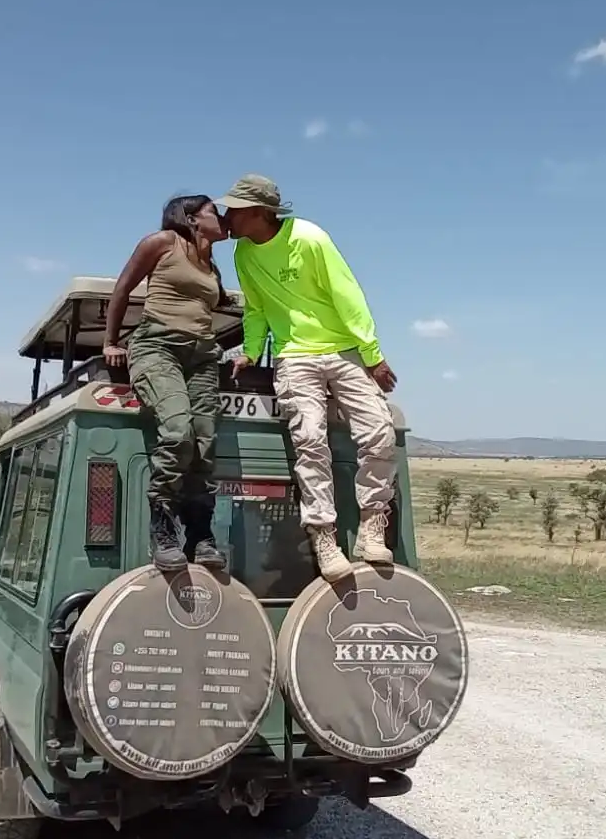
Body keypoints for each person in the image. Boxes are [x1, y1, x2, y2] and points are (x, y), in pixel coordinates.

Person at [220, 173, 398, 583]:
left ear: (259, 213)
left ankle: (372, 526)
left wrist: (371, 355)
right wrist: (250, 350)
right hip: (295, 356)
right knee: (310, 440)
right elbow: (258, 308)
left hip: (344, 350)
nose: (227, 216)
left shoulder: (310, 238)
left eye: (235, 209)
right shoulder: (244, 254)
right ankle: (324, 536)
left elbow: (347, 294)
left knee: (379, 433)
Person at [103, 194, 230, 573]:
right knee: (178, 431)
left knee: (205, 443)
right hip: (158, 346)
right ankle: (163, 531)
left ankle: (200, 535)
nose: (222, 218)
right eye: (214, 212)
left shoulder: (211, 264)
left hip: (203, 356)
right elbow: (122, 290)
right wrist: (111, 342)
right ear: (191, 217)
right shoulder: (160, 243)